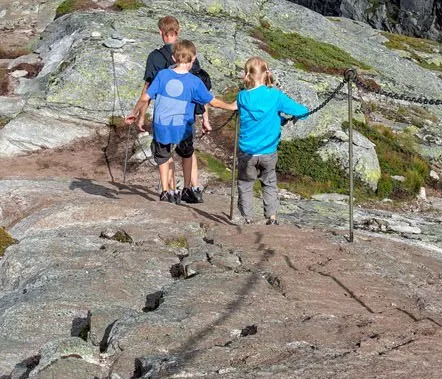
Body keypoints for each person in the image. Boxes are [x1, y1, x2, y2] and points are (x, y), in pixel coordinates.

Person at [135, 38, 235, 203]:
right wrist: (231, 106)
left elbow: (145, 97)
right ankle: (187, 188)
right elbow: (211, 101)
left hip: (162, 125)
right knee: (187, 154)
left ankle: (166, 191)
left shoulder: (162, 75)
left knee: (163, 156)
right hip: (183, 127)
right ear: (193, 58)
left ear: (173, 58)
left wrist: (134, 113)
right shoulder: (195, 81)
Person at [126, 16, 214, 201]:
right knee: (188, 151)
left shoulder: (155, 57)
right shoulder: (188, 54)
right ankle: (192, 188)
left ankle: (170, 191)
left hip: (165, 116)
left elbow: (147, 89)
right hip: (187, 114)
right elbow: (200, 88)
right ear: (178, 31)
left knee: (165, 152)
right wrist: (205, 118)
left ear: (160, 32)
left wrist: (140, 116)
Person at [234, 56, 309, 226]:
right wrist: (289, 117)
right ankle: (271, 216)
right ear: (267, 73)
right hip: (268, 151)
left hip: (247, 152)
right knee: (269, 183)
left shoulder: (242, 97)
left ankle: (247, 217)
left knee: (245, 184)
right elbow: (301, 111)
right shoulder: (275, 96)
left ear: (247, 75)